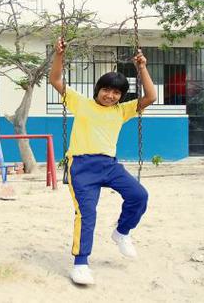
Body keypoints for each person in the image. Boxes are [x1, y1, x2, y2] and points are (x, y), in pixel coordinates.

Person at [49, 38, 157, 285]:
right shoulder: (81, 103)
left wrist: (141, 67)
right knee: (87, 214)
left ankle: (122, 232)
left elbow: (151, 95)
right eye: (107, 90)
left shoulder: (122, 110)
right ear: (98, 89)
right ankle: (81, 263)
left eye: (117, 92)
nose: (110, 95)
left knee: (139, 195)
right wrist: (58, 55)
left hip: (109, 165)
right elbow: (55, 80)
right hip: (82, 166)